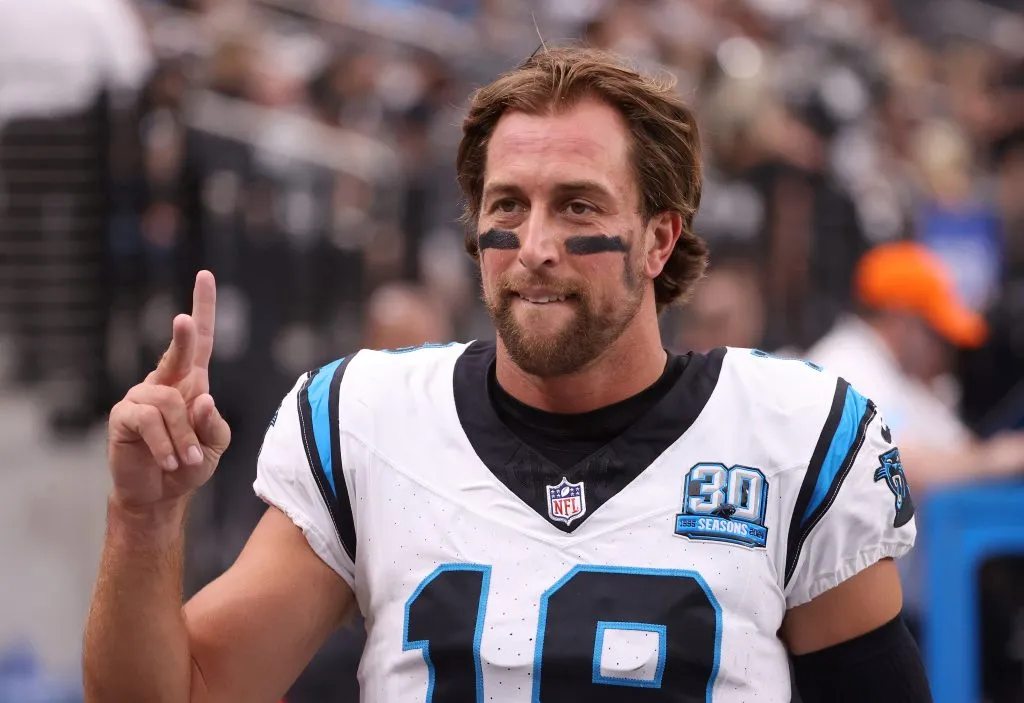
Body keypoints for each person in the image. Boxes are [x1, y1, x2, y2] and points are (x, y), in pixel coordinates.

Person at [83, 47, 932, 702]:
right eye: (507, 206)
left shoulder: (793, 433)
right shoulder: (367, 419)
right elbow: (182, 690)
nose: (533, 247)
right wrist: (145, 519)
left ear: (659, 240)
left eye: (578, 205)